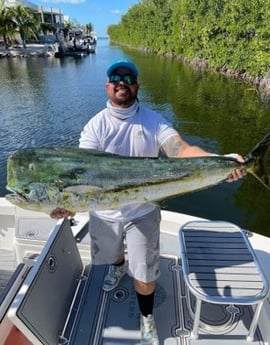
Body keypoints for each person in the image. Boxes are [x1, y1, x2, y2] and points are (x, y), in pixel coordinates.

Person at [51, 57, 246, 345]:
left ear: (137, 86)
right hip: (104, 214)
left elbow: (180, 149)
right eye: (116, 78)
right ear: (107, 86)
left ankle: (146, 319)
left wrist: (222, 163)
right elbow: (82, 170)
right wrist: (66, 203)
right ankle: (118, 267)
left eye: (128, 78)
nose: (122, 83)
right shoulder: (95, 127)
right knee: (112, 254)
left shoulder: (154, 121)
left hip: (142, 211)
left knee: (144, 273)